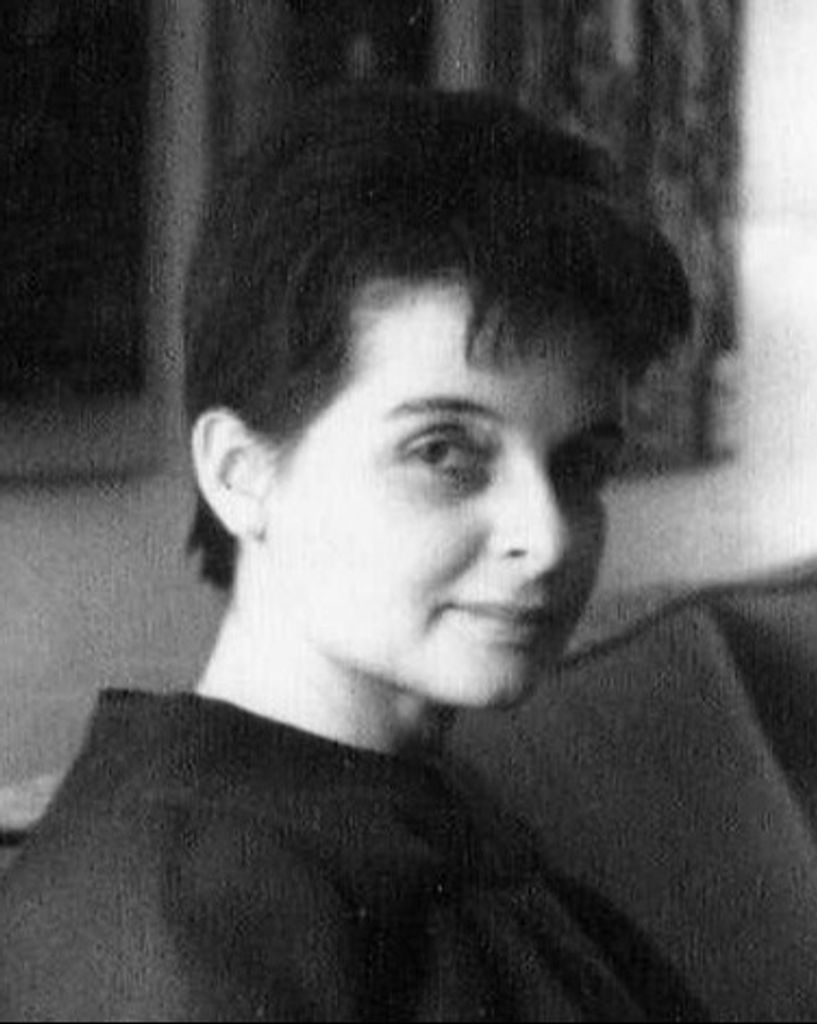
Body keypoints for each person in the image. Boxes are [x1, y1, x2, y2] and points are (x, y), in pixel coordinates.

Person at [0, 85, 703, 1020]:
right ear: (241, 474)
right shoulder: (180, 924)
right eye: (442, 453)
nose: (546, 539)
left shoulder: (416, 804)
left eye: (580, 464)